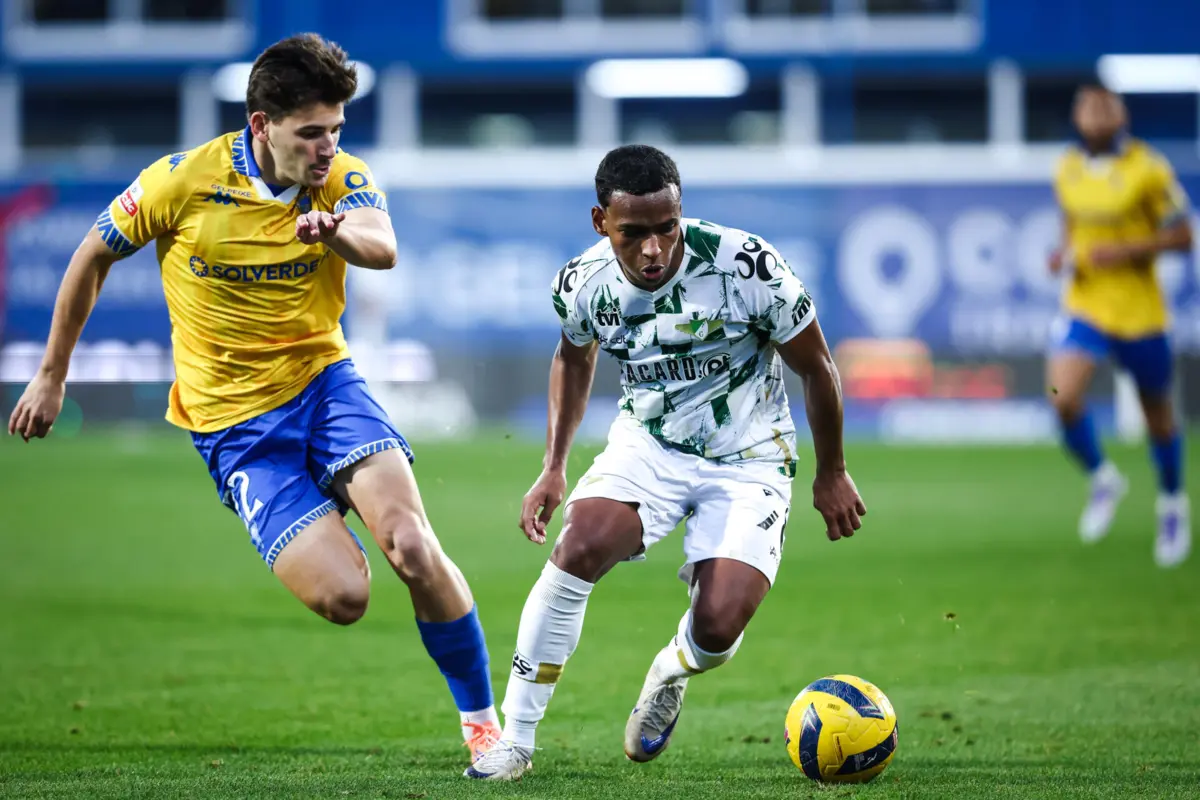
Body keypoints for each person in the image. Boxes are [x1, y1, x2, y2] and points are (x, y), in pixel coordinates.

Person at [6, 34, 501, 758]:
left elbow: (382, 243)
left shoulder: (339, 178)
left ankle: (486, 727)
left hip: (325, 386)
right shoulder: (180, 181)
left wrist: (334, 233)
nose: (327, 145)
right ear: (261, 125)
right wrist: (53, 374)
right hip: (235, 424)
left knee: (411, 546)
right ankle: (322, 516)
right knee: (345, 599)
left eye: (336, 128)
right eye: (311, 132)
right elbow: (91, 254)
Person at [466, 144, 866, 781]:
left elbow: (817, 365)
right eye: (633, 233)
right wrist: (553, 466)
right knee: (579, 544)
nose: (653, 249)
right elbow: (573, 358)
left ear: (681, 213)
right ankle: (514, 741)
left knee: (718, 623)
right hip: (648, 445)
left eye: (666, 228)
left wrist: (832, 470)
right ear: (602, 222)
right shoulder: (582, 283)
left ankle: (671, 671)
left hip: (751, 455)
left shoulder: (748, 267)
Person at [1048, 84, 1193, 568]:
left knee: (1159, 417)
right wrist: (1064, 255)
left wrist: (1125, 251)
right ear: (1077, 115)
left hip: (1139, 312)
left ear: (1120, 115)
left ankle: (1172, 503)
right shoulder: (1066, 168)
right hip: (1086, 304)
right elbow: (1072, 226)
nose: (1095, 115)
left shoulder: (1148, 169)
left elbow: (1183, 235)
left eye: (1104, 107)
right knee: (1062, 397)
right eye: (1087, 106)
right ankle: (1103, 477)